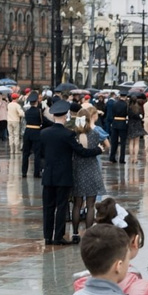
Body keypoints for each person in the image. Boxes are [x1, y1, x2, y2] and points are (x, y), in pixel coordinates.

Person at [41, 100, 103, 245]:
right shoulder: (68, 134)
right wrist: (98, 150)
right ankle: (58, 236)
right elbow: (81, 152)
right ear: (65, 116)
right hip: (63, 175)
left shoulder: (44, 133)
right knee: (61, 207)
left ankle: (47, 237)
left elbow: (40, 154)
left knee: (48, 207)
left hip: (48, 174)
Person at [71, 107, 109, 241]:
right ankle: (88, 233)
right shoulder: (95, 134)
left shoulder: (73, 135)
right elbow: (105, 146)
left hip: (77, 170)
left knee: (77, 204)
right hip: (92, 169)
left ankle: (75, 233)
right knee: (91, 205)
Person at [21, 93, 48, 178]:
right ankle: (36, 173)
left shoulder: (27, 112)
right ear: (36, 101)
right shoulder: (39, 111)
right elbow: (43, 121)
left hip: (27, 131)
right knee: (37, 154)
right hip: (36, 132)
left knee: (25, 153)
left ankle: (24, 172)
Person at [108, 91, 129, 163]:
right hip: (122, 123)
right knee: (123, 142)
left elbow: (112, 113)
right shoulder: (126, 105)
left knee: (114, 141)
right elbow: (127, 113)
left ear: (120, 96)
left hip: (115, 122)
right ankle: (122, 159)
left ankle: (112, 157)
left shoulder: (115, 103)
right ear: (125, 97)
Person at [127, 96, 145, 162]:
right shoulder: (139, 108)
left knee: (131, 142)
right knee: (137, 142)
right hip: (137, 125)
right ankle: (136, 158)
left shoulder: (129, 108)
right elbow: (140, 116)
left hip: (131, 124)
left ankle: (131, 158)